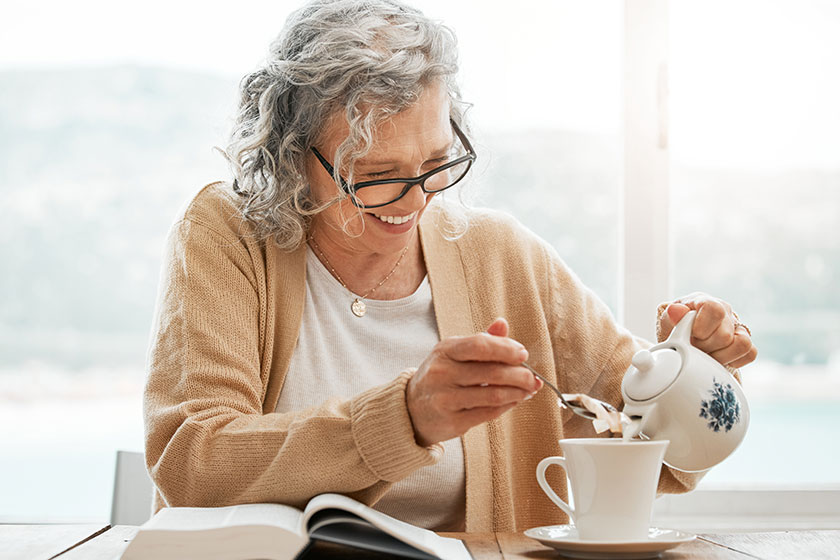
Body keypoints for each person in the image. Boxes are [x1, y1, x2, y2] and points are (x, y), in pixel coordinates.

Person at [143, 0, 758, 532]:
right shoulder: (229, 233)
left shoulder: (501, 255)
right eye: (377, 177)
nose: (416, 200)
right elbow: (193, 461)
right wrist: (405, 417)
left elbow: (662, 446)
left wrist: (699, 375)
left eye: (436, 162)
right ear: (288, 155)